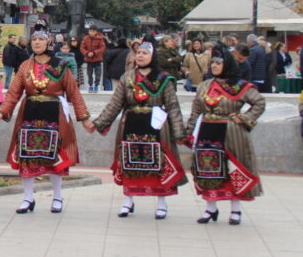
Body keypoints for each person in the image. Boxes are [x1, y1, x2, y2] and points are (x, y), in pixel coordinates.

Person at [90, 36, 187, 219]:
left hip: (156, 126)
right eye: (138, 53)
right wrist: (98, 123)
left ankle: (161, 202)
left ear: (153, 56)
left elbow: (173, 106)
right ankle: (128, 200)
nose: (140, 56)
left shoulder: (164, 79)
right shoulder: (127, 78)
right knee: (129, 162)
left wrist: (179, 132)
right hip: (131, 124)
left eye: (145, 53)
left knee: (160, 164)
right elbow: (115, 104)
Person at [0, 22, 91, 215]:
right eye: (34, 39)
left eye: (41, 39)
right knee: (26, 156)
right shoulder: (25, 65)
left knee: (55, 156)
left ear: (49, 42)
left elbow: (73, 92)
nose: (37, 42)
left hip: (54, 114)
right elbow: (14, 92)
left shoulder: (61, 65)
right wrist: (2, 112)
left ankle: (57, 197)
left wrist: (84, 117)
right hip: (29, 113)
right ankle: (27, 198)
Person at [186, 44, 266, 226]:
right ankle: (210, 208)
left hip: (230, 132)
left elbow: (259, 102)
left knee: (233, 170)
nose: (214, 66)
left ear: (227, 64)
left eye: (218, 62)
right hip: (207, 130)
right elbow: (196, 111)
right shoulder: (205, 86)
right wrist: (189, 133)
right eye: (212, 62)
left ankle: (236, 209)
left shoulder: (240, 86)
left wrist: (244, 117)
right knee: (207, 170)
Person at [80, 27, 105, 93]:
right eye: (90, 31)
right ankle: (90, 85)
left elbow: (102, 48)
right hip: (89, 59)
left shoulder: (100, 38)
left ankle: (96, 85)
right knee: (89, 74)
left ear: (96, 31)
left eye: (93, 31)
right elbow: (82, 48)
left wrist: (94, 52)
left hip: (97, 59)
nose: (92, 33)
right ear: (88, 31)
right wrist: (87, 53)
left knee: (98, 74)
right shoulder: (85, 38)